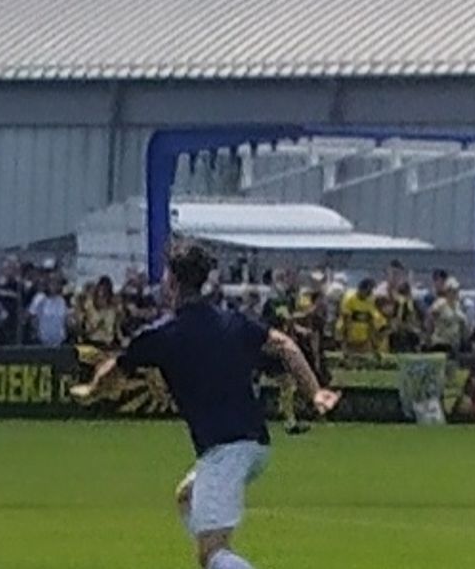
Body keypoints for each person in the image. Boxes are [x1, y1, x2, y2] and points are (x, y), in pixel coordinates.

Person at [72, 241, 338, 569]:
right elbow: (286, 346)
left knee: (213, 554)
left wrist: (91, 391)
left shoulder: (161, 334)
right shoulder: (233, 322)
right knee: (186, 498)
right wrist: (314, 392)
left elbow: (113, 370)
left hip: (225, 450)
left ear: (171, 282)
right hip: (255, 446)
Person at [426, 278, 470, 353]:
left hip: (454, 344)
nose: (455, 293)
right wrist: (428, 337)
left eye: (456, 291)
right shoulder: (440, 304)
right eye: (452, 291)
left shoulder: (458, 306)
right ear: (447, 292)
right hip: (440, 343)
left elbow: (462, 324)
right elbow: (430, 318)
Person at [28, 275, 72, 347]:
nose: (55, 286)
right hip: (42, 342)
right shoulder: (40, 298)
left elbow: (66, 319)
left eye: (57, 284)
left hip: (59, 343)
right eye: (52, 283)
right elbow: (31, 315)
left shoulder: (62, 301)